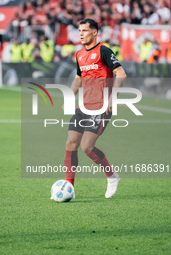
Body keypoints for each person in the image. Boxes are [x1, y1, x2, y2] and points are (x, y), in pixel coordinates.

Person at [63, 19, 127, 198]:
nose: (81, 33)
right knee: (71, 143)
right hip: (83, 106)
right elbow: (79, 78)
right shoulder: (79, 54)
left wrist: (113, 99)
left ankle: (112, 176)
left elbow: (121, 74)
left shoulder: (104, 51)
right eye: (79, 30)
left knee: (87, 147)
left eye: (84, 30)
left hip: (101, 107)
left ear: (94, 32)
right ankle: (69, 187)